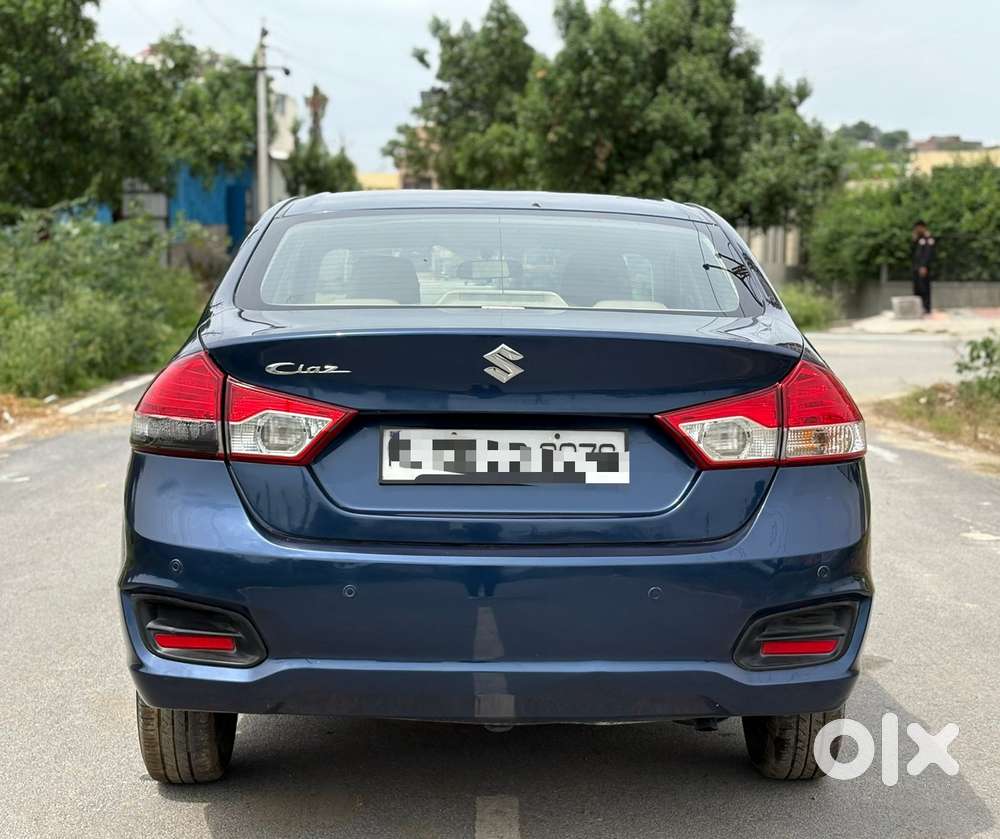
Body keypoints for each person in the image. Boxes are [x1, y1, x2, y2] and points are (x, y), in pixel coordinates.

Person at [911, 220, 937, 314]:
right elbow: (913, 252)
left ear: (923, 227)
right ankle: (917, 307)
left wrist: (924, 266)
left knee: (924, 288)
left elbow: (928, 253)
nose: (917, 230)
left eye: (918, 227)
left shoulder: (928, 238)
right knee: (917, 287)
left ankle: (926, 308)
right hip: (916, 267)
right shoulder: (918, 238)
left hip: (923, 267)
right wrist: (914, 240)